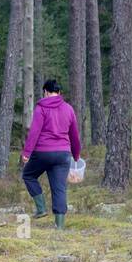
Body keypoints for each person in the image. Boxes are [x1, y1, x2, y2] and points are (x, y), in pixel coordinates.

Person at [20, 79, 81, 229]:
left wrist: (27, 152)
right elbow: (74, 135)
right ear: (59, 93)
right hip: (63, 154)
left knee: (28, 175)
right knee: (59, 188)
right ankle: (59, 226)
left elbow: (34, 132)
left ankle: (41, 209)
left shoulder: (41, 108)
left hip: (43, 152)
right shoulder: (68, 109)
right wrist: (76, 154)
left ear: (45, 92)